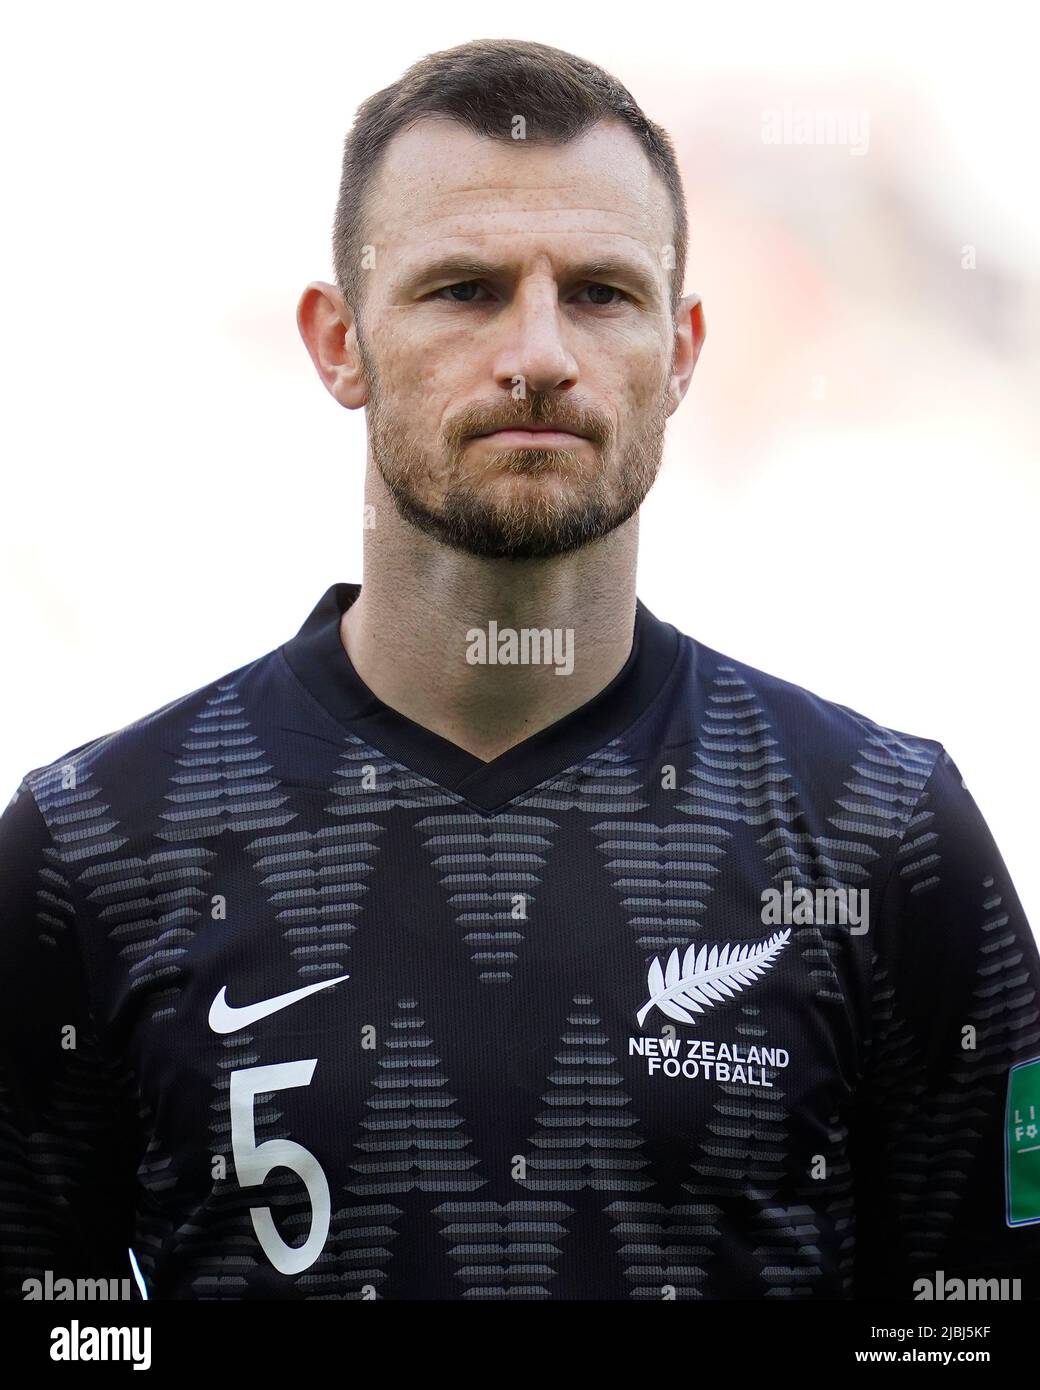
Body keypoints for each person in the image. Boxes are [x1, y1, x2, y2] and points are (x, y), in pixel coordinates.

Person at [2, 37, 1037, 1303]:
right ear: (337, 343)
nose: (538, 353)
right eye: (464, 289)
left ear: (684, 348)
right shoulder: (92, 846)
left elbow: (978, 1329)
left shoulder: (883, 833)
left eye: (601, 292)